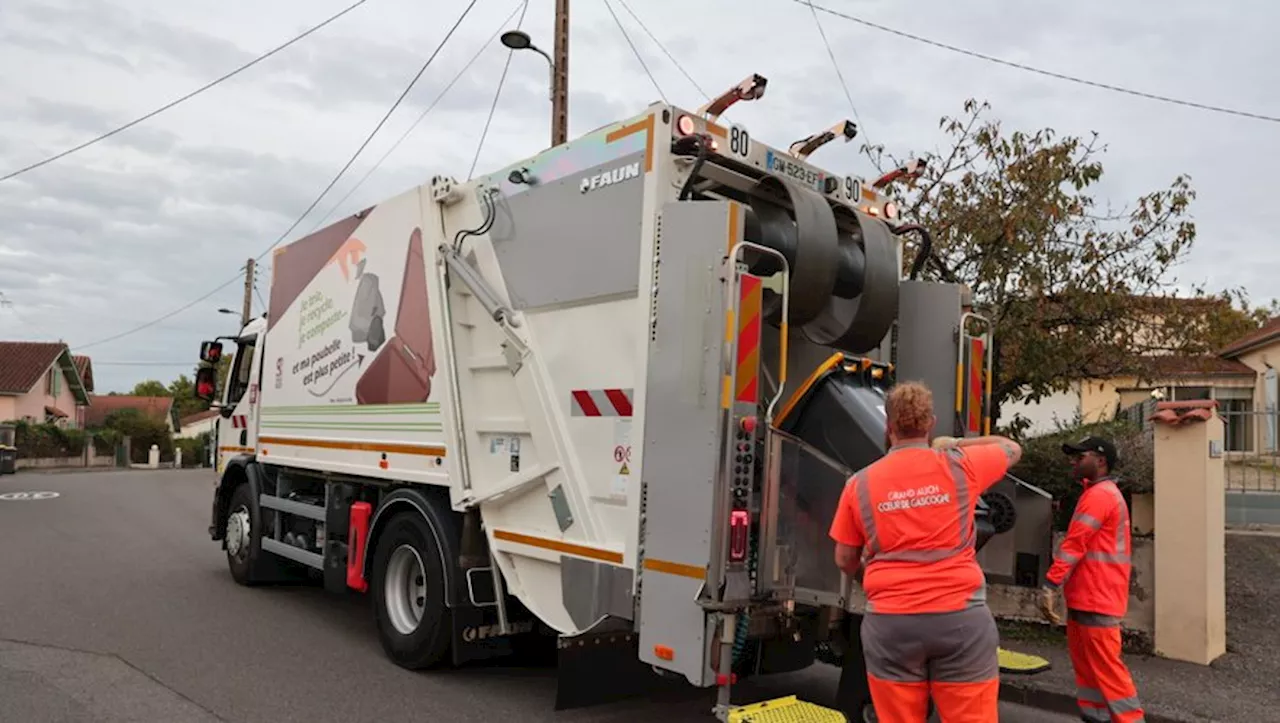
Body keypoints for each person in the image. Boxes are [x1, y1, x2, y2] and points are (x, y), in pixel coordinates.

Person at [829, 381, 1022, 723]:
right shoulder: (961, 465)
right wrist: (956, 443)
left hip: (891, 624)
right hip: (960, 619)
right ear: (930, 423)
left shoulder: (858, 484)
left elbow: (844, 559)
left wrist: (873, 579)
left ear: (888, 426)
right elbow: (1011, 448)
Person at [1039, 436, 1146, 723]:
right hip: (1091, 598)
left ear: (1100, 461)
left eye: (1079, 456)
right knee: (1090, 673)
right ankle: (1095, 717)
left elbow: (1074, 545)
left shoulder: (1100, 496)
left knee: (1109, 675)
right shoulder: (1099, 493)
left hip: (1097, 598)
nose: (1073, 461)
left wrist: (1050, 585)